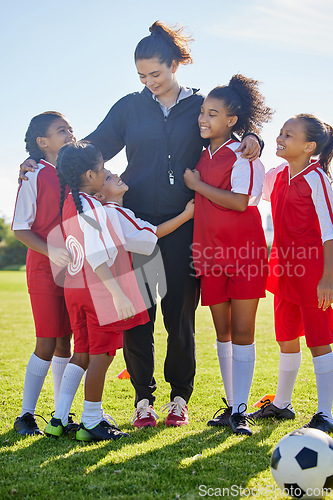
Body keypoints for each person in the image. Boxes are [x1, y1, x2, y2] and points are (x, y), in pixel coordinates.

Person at [19, 21, 263, 428]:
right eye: (142, 76)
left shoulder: (199, 106)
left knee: (180, 316)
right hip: (132, 228)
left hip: (184, 226)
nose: (149, 82)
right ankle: (143, 399)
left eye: (156, 73)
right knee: (136, 316)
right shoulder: (129, 107)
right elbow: (89, 147)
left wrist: (252, 133)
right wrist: (35, 157)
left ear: (174, 65)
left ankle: (179, 398)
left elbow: (226, 125)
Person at [45, 162, 195, 435]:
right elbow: (151, 236)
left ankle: (58, 419)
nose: (115, 175)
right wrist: (187, 215)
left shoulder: (73, 202)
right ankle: (91, 421)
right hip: (100, 291)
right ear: (94, 183)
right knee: (101, 356)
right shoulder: (110, 212)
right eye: (108, 174)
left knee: (81, 354)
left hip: (74, 288)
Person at [184, 74, 273, 435]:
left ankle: (240, 410)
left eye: (214, 113)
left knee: (242, 331)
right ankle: (230, 404)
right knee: (222, 332)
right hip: (209, 254)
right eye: (203, 112)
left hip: (245, 253)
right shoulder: (201, 152)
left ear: (232, 121)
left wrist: (197, 186)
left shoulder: (244, 154)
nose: (204, 119)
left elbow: (239, 202)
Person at [250, 114, 333, 433]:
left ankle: (325, 412)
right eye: (280, 132)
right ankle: (282, 404)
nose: (280, 137)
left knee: (319, 341)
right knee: (286, 339)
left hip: (314, 277)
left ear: (309, 146)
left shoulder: (317, 178)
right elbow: (253, 179)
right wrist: (251, 141)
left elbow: (329, 230)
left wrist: (328, 278)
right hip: (284, 273)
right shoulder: (278, 175)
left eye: (289, 134)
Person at [12, 112, 74, 436]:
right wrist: (51, 251)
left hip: (74, 269)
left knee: (66, 341)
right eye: (61, 130)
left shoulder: (73, 171)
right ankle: (25, 415)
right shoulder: (33, 174)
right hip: (43, 267)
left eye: (70, 128)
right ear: (42, 142)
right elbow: (20, 228)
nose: (70, 133)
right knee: (47, 342)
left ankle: (61, 415)